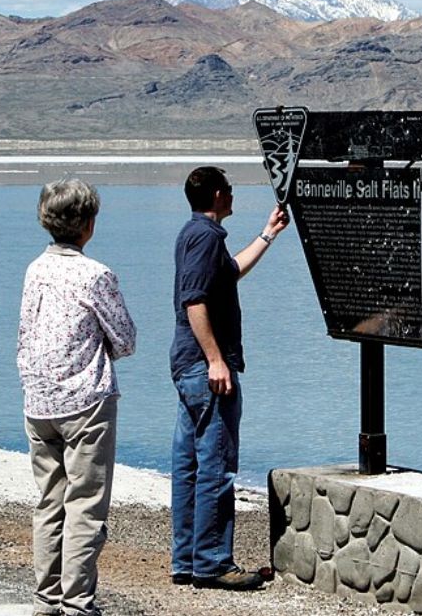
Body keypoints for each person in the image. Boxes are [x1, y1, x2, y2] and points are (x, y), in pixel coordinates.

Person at [17, 178, 136, 616]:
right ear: (87, 224)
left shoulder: (35, 268)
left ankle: (46, 597)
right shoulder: (95, 274)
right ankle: (78, 601)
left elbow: (26, 331)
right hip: (86, 400)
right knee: (85, 504)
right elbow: (124, 340)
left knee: (49, 501)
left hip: (38, 398)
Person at [170, 166, 289, 590]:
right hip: (205, 368)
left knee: (189, 464)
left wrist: (267, 234)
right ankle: (213, 562)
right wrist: (216, 360)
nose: (234, 195)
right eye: (231, 190)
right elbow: (194, 300)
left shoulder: (197, 235)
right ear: (218, 195)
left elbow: (228, 273)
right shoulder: (204, 237)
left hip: (188, 367)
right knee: (216, 465)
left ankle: (187, 560)